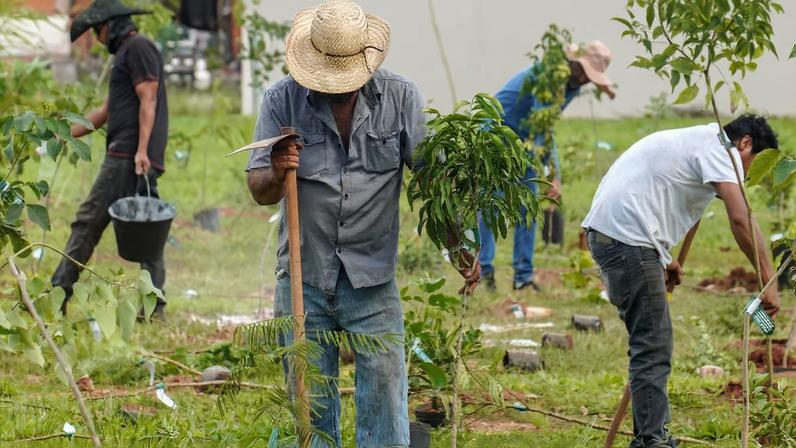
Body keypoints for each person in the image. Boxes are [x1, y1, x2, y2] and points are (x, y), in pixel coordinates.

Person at [245, 2, 478, 446]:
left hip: (372, 281)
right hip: (304, 277)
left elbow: (433, 183)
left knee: (386, 395)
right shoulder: (281, 100)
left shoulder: (401, 98)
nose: (337, 91)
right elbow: (258, 189)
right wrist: (275, 170)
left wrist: (458, 247)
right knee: (311, 406)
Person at [582, 115, 781, 448]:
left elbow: (665, 190)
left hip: (619, 235)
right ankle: (652, 441)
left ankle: (650, 436)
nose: (747, 175)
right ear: (745, 143)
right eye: (753, 164)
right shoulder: (722, 150)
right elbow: (741, 218)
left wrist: (664, 255)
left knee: (650, 342)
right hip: (627, 239)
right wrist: (768, 279)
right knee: (653, 343)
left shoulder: (699, 141)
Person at [54, 0, 168, 317]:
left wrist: (142, 150)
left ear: (110, 25)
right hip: (130, 156)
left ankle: (56, 294)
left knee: (87, 223)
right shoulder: (125, 55)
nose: (98, 39)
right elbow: (104, 112)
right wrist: (61, 132)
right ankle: (154, 307)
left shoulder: (138, 47)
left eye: (97, 31)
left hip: (127, 156)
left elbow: (149, 99)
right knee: (149, 231)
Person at [479, 40, 617, 292]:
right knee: (492, 205)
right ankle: (483, 272)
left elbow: (547, 125)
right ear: (575, 65)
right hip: (498, 137)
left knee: (528, 209)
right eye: (586, 73)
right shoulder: (547, 78)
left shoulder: (572, 86)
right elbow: (539, 125)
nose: (587, 80)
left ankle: (523, 277)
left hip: (527, 141)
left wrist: (553, 173)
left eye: (591, 77)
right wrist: (552, 174)